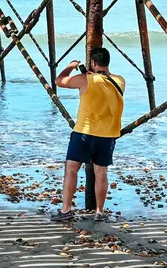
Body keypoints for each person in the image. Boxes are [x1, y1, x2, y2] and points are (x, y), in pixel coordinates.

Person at [51, 47, 125, 222]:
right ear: (107, 62)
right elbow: (102, 89)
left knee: (71, 169)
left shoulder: (86, 79)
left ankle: (66, 209)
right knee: (101, 172)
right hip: (108, 135)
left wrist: (71, 66)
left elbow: (59, 81)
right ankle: (99, 211)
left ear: (92, 62)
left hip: (84, 132)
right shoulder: (120, 81)